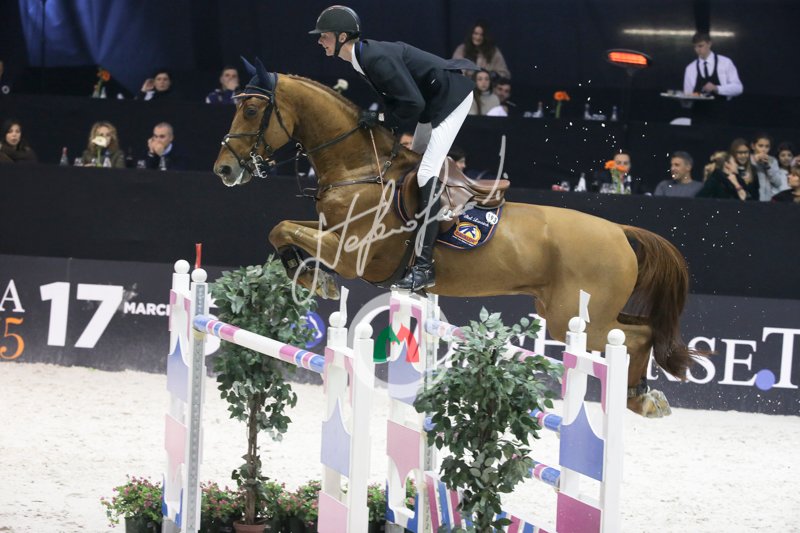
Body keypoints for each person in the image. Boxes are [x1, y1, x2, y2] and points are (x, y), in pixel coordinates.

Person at [310, 5, 478, 292]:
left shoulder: (373, 57)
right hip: (431, 101)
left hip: (451, 98)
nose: (319, 41)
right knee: (410, 164)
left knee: (425, 173)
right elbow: (401, 100)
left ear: (341, 37)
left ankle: (424, 267)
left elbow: (412, 105)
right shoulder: (361, 58)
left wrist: (379, 119)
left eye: (324, 35)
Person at [683, 32, 742, 99]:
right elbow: (688, 95)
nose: (697, 50)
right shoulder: (690, 68)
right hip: (698, 105)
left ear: (709, 44)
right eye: (695, 47)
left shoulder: (725, 62)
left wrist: (717, 88)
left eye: (700, 46)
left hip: (721, 105)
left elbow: (738, 88)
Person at [750, 133, 787, 201]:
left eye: (767, 146)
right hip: (751, 199)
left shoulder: (772, 160)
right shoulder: (748, 159)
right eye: (760, 146)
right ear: (753, 146)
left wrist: (768, 167)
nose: (764, 149)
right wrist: (755, 161)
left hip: (767, 200)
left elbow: (777, 183)